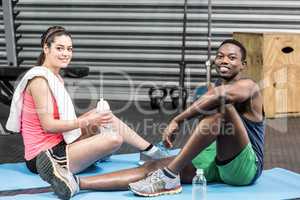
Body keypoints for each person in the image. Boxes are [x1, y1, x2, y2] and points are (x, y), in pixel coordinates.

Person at [36, 39, 265, 200]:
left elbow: (222, 98)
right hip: (212, 165)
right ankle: (75, 183)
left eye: (232, 58)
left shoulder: (249, 87)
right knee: (151, 167)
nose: (224, 60)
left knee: (221, 108)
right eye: (220, 56)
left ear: (243, 65)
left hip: (244, 168)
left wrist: (177, 120)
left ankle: (169, 175)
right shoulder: (209, 90)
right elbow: (207, 130)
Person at [6, 26, 166, 177]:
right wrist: (88, 121)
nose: (65, 53)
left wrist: (93, 120)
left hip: (60, 144)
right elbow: (49, 126)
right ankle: (85, 159)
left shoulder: (55, 77)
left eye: (69, 49)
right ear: (46, 49)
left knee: (103, 115)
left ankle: (150, 151)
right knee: (114, 139)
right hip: (42, 157)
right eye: (59, 48)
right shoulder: (39, 80)